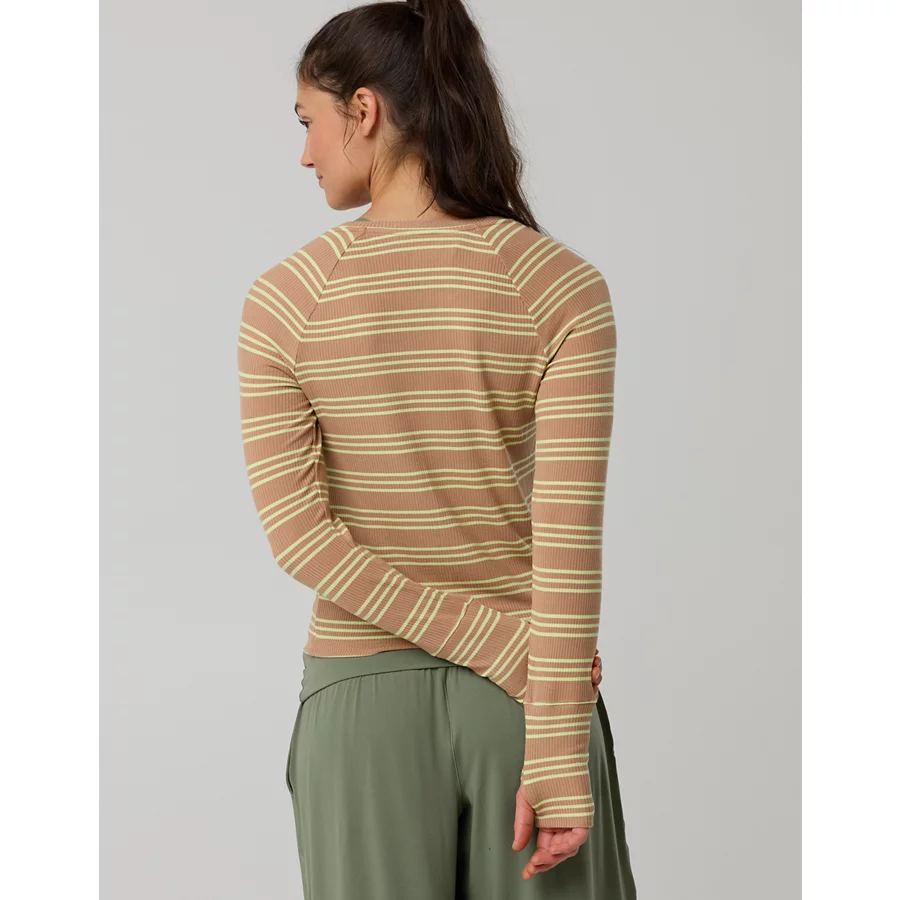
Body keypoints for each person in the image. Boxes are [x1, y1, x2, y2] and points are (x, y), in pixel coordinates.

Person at [237, 0, 637, 896]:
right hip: (525, 700)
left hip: (362, 704)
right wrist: (550, 722)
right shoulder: (559, 286)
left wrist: (501, 652)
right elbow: (566, 538)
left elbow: (301, 538)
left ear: (364, 110)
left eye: (308, 122)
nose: (305, 153)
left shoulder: (286, 299)